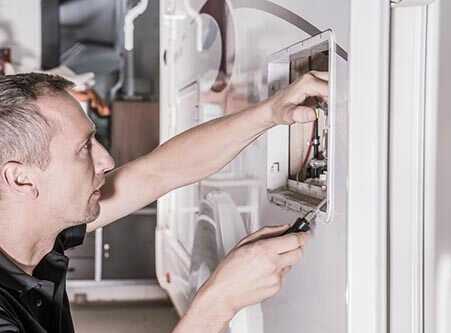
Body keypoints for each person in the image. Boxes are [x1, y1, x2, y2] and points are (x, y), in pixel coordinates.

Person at [0, 71, 328, 332]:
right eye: (84, 148)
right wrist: (220, 301)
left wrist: (270, 112)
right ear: (21, 179)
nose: (107, 160)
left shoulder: (37, 234)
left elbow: (157, 172)